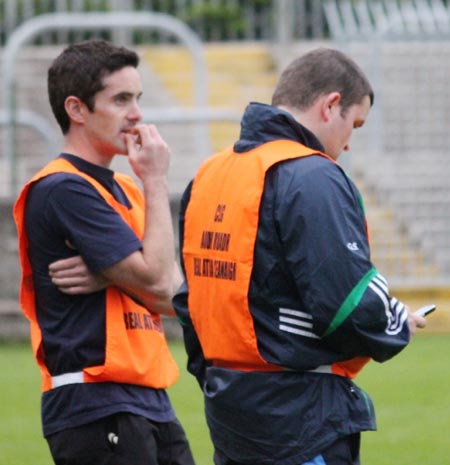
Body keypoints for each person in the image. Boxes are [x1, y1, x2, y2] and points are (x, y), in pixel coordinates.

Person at [173, 47, 427, 465]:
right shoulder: (311, 174)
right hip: (300, 417)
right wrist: (398, 319)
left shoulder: (209, 174)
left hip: (230, 413)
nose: (347, 146)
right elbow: (348, 306)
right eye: (354, 125)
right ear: (331, 106)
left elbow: (193, 302)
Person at [13, 39, 195, 465]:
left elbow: (174, 295)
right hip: (94, 399)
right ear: (77, 109)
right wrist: (156, 181)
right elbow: (155, 278)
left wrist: (111, 273)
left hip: (147, 395)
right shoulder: (64, 187)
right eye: (120, 99)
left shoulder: (125, 188)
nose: (136, 114)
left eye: (138, 98)